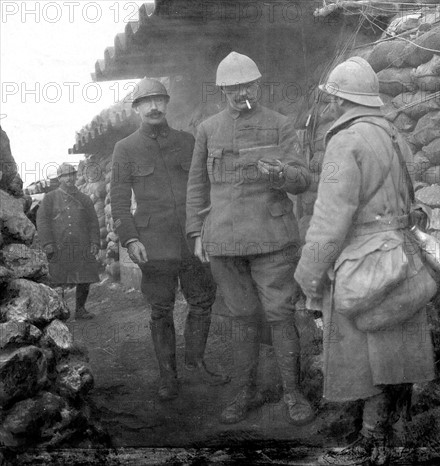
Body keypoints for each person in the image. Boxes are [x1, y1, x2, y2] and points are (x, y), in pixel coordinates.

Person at [294, 57, 436, 466]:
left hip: (362, 260)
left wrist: (308, 275)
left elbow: (329, 220)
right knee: (396, 348)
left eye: (331, 100)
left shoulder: (345, 141)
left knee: (364, 352)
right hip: (403, 254)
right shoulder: (395, 135)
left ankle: (372, 445)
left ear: (339, 101)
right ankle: (397, 437)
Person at [186, 52, 315, 426]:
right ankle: (246, 391)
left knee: (279, 314)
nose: (242, 92)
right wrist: (196, 232)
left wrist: (280, 174)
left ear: (258, 85)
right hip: (224, 241)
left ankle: (293, 392)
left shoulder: (280, 124)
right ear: (222, 90)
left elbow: (303, 179)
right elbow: (197, 184)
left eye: (249, 85)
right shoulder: (208, 129)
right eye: (233, 87)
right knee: (241, 317)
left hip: (272, 240)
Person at [111, 78, 228, 401]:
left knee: (202, 303)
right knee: (161, 310)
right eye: (146, 102)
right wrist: (131, 240)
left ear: (166, 103)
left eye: (159, 100)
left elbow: (203, 188)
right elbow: (119, 201)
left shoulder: (186, 141)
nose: (153, 107)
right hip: (154, 243)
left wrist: (205, 228)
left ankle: (196, 362)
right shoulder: (125, 149)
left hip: (191, 239)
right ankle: (168, 376)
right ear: (136, 108)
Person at [37, 163, 100, 320]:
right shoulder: (50, 198)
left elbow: (93, 222)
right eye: (65, 175)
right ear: (59, 178)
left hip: (82, 245)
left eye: (72, 174)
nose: (69, 178)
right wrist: (48, 244)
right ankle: (57, 312)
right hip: (59, 245)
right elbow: (42, 221)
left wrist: (95, 242)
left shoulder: (84, 199)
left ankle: (80, 309)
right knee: (58, 278)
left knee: (84, 277)